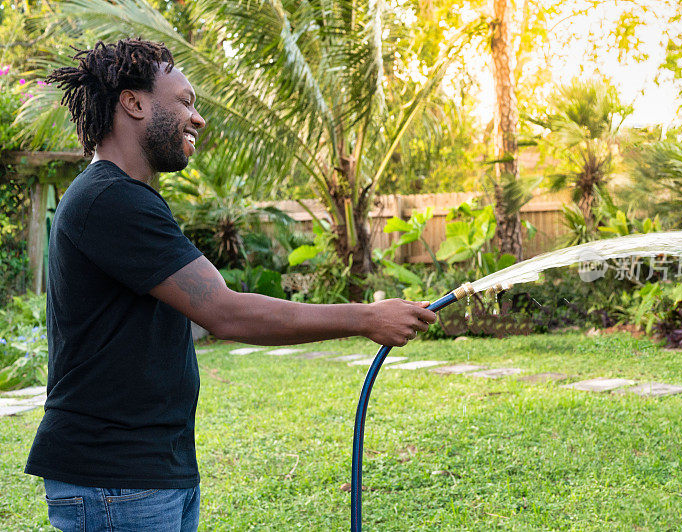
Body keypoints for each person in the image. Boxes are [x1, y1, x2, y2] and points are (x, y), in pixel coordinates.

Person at [25, 38, 436, 531]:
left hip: (144, 473)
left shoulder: (119, 197)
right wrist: (365, 318)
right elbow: (225, 310)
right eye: (184, 101)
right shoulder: (110, 200)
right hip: (116, 479)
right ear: (133, 102)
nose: (197, 118)